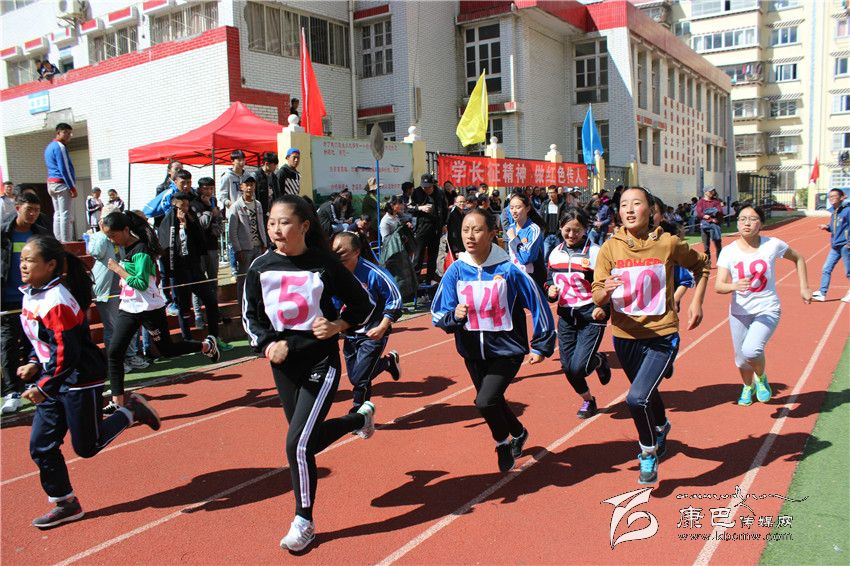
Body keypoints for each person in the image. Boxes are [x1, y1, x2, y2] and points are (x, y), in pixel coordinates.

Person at [242, 195, 377, 552]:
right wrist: (267, 345)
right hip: (283, 366)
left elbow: (363, 305)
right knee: (309, 441)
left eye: (284, 222)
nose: (276, 229)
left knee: (296, 444)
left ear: (303, 226)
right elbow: (251, 317)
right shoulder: (260, 267)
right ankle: (358, 419)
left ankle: (304, 521)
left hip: (321, 362)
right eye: (271, 222)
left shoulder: (324, 264)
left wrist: (338, 325)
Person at [17, 235, 162, 529]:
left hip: (79, 377)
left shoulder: (56, 300)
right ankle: (66, 503)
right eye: (22, 260)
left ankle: (130, 410)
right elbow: (41, 339)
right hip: (54, 378)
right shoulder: (31, 294)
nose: (23, 265)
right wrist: (34, 361)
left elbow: (67, 352)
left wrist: (43, 386)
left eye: (30, 260)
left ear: (51, 265)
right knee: (41, 445)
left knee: (87, 447)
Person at [592, 186, 709, 484]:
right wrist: (606, 291)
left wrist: (696, 302)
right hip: (625, 336)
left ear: (651, 210)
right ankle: (661, 425)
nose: (629, 210)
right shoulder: (610, 248)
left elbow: (701, 266)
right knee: (647, 393)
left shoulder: (668, 244)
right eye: (624, 205)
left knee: (635, 398)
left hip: (662, 335)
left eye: (636, 203)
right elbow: (597, 295)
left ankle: (647, 451)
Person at [432, 207, 555, 472]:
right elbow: (439, 312)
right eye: (465, 230)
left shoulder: (509, 270)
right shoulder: (456, 271)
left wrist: (541, 344)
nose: (470, 236)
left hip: (507, 351)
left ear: (491, 234)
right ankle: (518, 432)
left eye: (477, 230)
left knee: (485, 401)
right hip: (472, 352)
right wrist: (454, 316)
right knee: (493, 400)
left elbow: (538, 303)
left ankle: (502, 443)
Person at [100, 211, 220, 413]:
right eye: (108, 237)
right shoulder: (125, 247)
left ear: (126, 230)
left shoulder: (141, 250)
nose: (112, 240)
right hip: (129, 307)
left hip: (150, 308)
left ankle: (207, 345)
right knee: (114, 351)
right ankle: (117, 402)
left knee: (166, 350)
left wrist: (118, 270)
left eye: (113, 235)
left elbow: (140, 283)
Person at [715, 205, 812, 405]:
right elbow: (719, 285)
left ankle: (760, 378)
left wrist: (804, 287)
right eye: (742, 219)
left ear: (761, 223)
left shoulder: (772, 245)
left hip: (767, 308)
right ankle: (747, 386)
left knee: (752, 350)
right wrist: (734, 285)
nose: (747, 223)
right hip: (739, 312)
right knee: (741, 359)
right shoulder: (728, 251)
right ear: (737, 223)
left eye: (752, 219)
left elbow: (799, 258)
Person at [546, 207, 611, 419]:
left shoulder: (596, 253)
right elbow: (549, 281)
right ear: (560, 228)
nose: (572, 234)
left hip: (591, 315)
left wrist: (603, 308)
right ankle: (588, 400)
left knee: (579, 368)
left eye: (577, 230)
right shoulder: (554, 253)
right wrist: (550, 292)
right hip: (566, 316)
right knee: (568, 368)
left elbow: (606, 284)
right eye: (567, 230)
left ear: (585, 229)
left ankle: (598, 360)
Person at [332, 231, 402, 412]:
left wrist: (383, 326)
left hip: (374, 331)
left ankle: (360, 414)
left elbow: (395, 299)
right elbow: (333, 302)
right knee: (355, 375)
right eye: (334, 252)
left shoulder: (374, 273)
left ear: (356, 252)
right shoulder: (335, 274)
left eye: (342, 252)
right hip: (351, 332)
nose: (337, 256)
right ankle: (387, 363)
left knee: (359, 379)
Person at [1, 192, 50, 414]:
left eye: (36, 210)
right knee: (8, 344)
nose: (33, 214)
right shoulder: (4, 232)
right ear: (17, 208)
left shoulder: (40, 233)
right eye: (29, 209)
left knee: (34, 341)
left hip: (34, 298)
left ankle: (34, 383)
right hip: (7, 298)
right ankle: (12, 391)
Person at [89, 203, 148, 373]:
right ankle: (115, 360)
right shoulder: (98, 237)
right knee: (112, 327)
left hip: (124, 286)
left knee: (129, 325)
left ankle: (130, 355)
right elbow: (96, 252)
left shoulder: (123, 236)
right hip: (106, 288)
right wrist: (103, 233)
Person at [158, 193, 221, 342]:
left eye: (187, 205)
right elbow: (170, 247)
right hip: (179, 271)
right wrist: (181, 227)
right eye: (182, 206)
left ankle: (214, 336)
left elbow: (199, 238)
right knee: (184, 307)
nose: (185, 209)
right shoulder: (168, 222)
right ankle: (187, 339)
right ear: (174, 205)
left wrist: (187, 225)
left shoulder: (191, 217)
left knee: (211, 300)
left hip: (195, 268)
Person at [190, 177, 224, 329]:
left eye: (211, 188)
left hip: (212, 246)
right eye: (206, 188)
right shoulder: (194, 203)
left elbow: (219, 226)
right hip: (199, 249)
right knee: (198, 283)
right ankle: (198, 315)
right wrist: (210, 210)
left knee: (213, 281)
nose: (209, 191)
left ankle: (214, 311)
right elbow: (202, 225)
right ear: (199, 188)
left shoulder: (214, 201)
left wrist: (214, 212)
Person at [228, 175, 268, 303]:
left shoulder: (258, 204)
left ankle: (257, 303)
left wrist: (264, 243)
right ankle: (242, 305)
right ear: (241, 187)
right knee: (243, 279)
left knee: (259, 277)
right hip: (245, 249)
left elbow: (261, 225)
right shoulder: (236, 206)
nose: (249, 188)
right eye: (247, 185)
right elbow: (232, 231)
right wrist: (237, 249)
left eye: (252, 185)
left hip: (259, 247)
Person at [812, 188, 850, 303]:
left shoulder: (847, 210)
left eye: (834, 196)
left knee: (848, 272)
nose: (831, 198)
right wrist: (827, 227)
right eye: (830, 197)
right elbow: (835, 226)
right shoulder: (834, 211)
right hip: (835, 245)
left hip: (845, 245)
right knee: (826, 268)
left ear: (841, 197)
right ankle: (822, 293)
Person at [410, 173, 448, 284]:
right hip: (421, 228)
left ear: (433, 185)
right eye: (424, 187)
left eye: (428, 187)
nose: (426, 189)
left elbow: (445, 209)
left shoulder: (440, 193)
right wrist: (420, 208)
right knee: (418, 256)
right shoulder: (416, 192)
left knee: (433, 256)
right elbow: (408, 208)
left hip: (436, 228)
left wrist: (444, 224)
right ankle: (415, 282)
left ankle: (429, 280)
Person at [44, 123, 77, 242]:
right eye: (66, 132)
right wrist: (72, 186)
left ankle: (58, 240)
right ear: (58, 133)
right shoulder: (60, 147)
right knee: (65, 214)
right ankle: (66, 241)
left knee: (57, 214)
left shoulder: (49, 147)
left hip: (51, 183)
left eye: (70, 133)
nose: (69, 135)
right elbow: (65, 169)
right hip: (61, 183)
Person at [505, 193, 546, 289]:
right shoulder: (511, 228)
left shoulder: (534, 229)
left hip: (532, 279)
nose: (514, 211)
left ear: (527, 208)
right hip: (515, 276)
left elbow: (526, 258)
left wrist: (514, 239)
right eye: (511, 208)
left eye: (518, 207)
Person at [696, 188, 724, 267]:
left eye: (713, 191)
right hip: (704, 226)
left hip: (715, 226)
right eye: (710, 191)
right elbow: (699, 213)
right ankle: (707, 264)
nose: (712, 192)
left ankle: (720, 263)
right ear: (705, 192)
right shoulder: (700, 202)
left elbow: (719, 211)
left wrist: (708, 214)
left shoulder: (716, 201)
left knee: (718, 245)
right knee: (706, 247)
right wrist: (708, 215)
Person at [218, 149, 249, 214]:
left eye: (243, 160)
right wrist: (230, 204)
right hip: (233, 213)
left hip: (247, 213)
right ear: (232, 161)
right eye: (239, 160)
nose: (242, 162)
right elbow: (222, 196)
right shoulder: (227, 176)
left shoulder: (248, 176)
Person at [540, 185, 565, 262]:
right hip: (547, 235)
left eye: (552, 193)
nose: (550, 195)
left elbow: (565, 218)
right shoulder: (545, 204)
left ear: (557, 193)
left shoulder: (562, 205)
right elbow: (541, 217)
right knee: (545, 256)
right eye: (549, 193)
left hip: (558, 235)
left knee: (559, 256)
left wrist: (561, 230)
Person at [256, 152, 280, 226]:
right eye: (274, 165)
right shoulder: (256, 176)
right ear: (267, 164)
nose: (276, 167)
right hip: (260, 212)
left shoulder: (274, 177)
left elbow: (278, 194)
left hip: (273, 212)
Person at [446, 193, 470, 257]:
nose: (462, 203)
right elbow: (452, 234)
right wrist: (456, 250)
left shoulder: (463, 214)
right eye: (460, 202)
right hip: (456, 246)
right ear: (455, 203)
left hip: (462, 244)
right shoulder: (453, 215)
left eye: (464, 202)